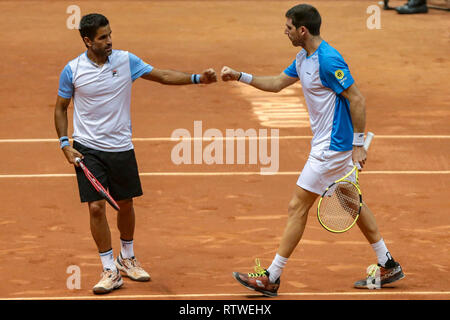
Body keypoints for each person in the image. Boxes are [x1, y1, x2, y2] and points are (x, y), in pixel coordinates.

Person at [221, 4, 404, 297]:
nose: (286, 30)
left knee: (297, 206)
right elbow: (278, 83)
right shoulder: (303, 57)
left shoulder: (328, 61)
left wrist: (357, 145)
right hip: (329, 145)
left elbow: (357, 99)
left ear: (302, 30)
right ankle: (388, 262)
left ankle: (272, 277)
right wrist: (240, 76)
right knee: (349, 201)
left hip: (332, 148)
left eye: (289, 27)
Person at [54, 13, 217, 294]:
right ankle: (109, 268)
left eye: (110, 35)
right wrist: (65, 144)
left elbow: (163, 75)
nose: (109, 41)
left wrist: (196, 78)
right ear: (87, 40)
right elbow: (60, 108)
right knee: (96, 206)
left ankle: (126, 257)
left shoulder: (126, 60)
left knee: (126, 203)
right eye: (103, 37)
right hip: (87, 147)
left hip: (121, 147)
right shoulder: (72, 70)